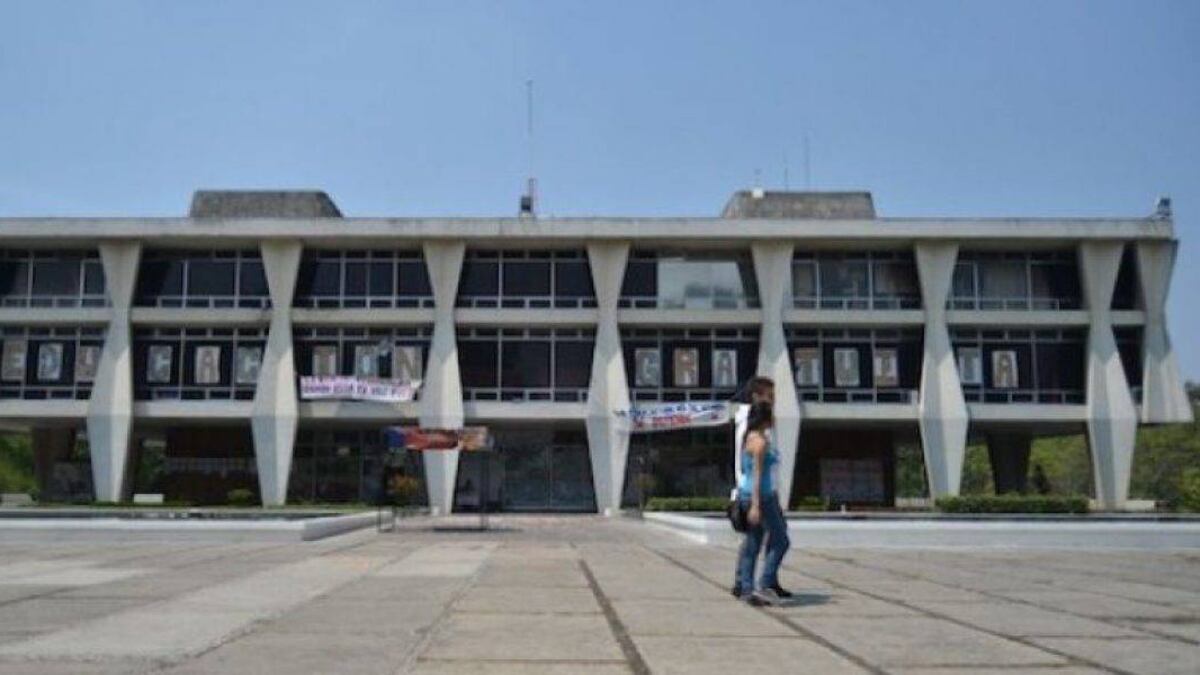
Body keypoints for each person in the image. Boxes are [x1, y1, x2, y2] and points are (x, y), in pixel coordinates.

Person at [733, 399, 792, 605]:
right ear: (765, 418)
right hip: (761, 496)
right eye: (772, 414)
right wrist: (756, 505)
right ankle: (765, 582)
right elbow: (757, 475)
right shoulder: (759, 442)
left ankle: (746, 588)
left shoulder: (750, 437)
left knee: (753, 543)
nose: (775, 418)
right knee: (781, 540)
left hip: (751, 494)